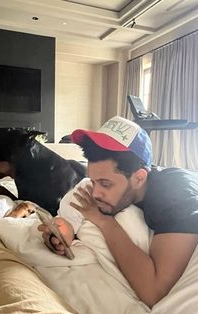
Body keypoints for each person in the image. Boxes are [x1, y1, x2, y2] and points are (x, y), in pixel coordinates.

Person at [39, 116, 198, 308]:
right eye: (93, 181)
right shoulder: (115, 190)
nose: (96, 193)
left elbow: (153, 292)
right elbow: (74, 212)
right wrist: (61, 231)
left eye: (105, 184)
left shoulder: (175, 198)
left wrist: (105, 222)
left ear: (139, 178)